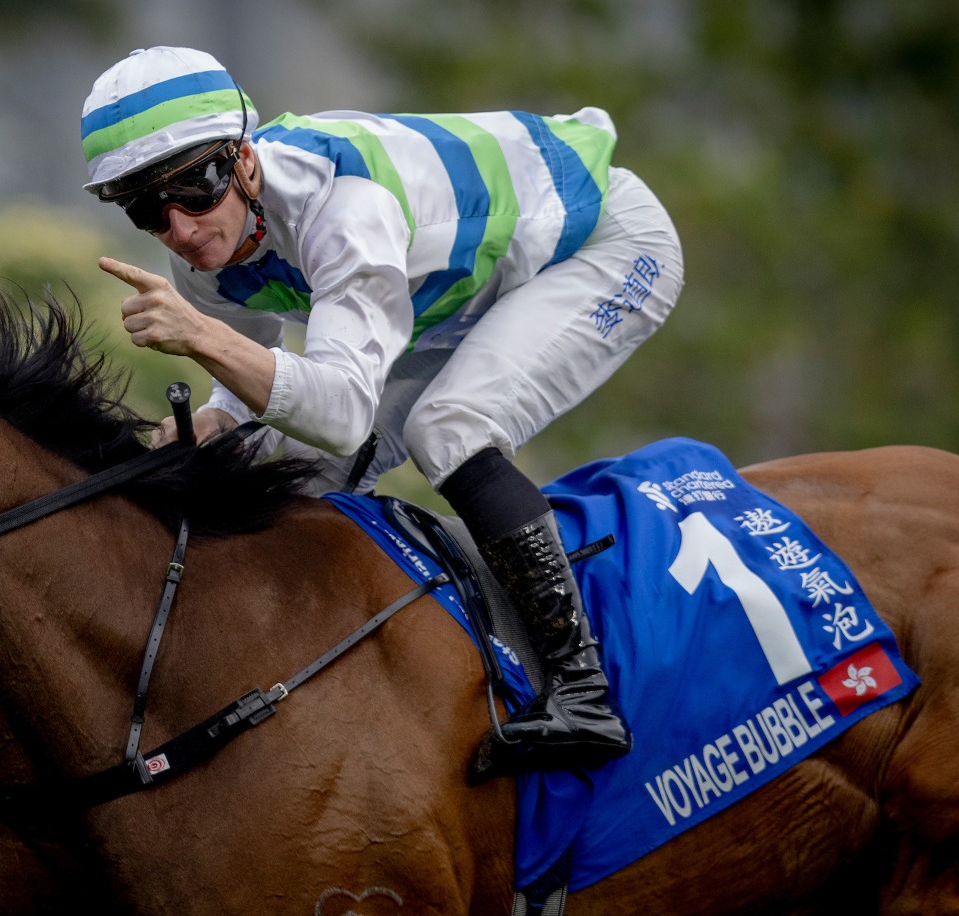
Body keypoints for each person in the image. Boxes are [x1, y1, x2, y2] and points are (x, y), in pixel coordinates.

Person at [82, 46, 683, 771]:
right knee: (296, 469)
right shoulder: (204, 241)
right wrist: (218, 417)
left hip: (601, 245)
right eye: (148, 208)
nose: (179, 228)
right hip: (460, 291)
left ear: (244, 159)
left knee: (450, 430)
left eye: (197, 188)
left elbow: (340, 410)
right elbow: (251, 349)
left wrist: (199, 335)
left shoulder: (345, 207)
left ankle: (583, 691)